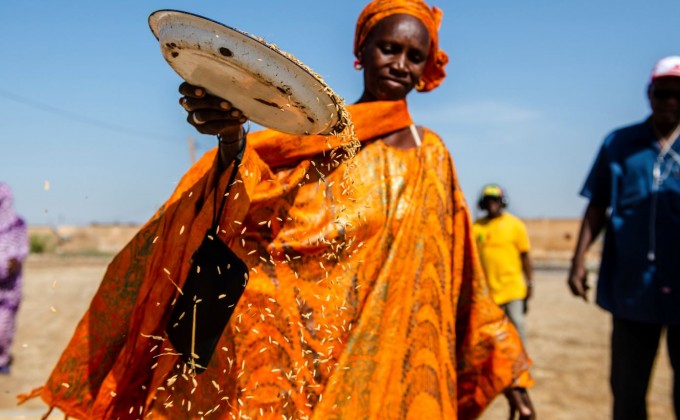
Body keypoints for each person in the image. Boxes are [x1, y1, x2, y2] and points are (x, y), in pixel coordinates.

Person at [23, 1, 535, 418]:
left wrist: (507, 367)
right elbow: (257, 214)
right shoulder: (318, 139)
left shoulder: (433, 156)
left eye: (413, 55)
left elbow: (461, 274)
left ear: (427, 68)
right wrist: (230, 140)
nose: (400, 64)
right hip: (316, 360)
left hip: (403, 363)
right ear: (362, 51)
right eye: (388, 48)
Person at [568, 55, 680, 420]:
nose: (671, 102)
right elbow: (598, 204)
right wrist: (578, 260)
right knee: (628, 390)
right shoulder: (619, 143)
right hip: (631, 288)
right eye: (664, 94)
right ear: (650, 93)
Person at [473, 184, 533, 344]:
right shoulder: (476, 228)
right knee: (492, 330)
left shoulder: (515, 225)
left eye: (495, 200)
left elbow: (525, 256)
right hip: (488, 290)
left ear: (502, 202)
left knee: (517, 323)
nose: (492, 204)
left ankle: (522, 364)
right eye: (488, 200)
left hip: (512, 288)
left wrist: (530, 283)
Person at [0, 182, 28, 375]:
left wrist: (7, 267)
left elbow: (20, 253)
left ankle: (2, 359)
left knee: (3, 328)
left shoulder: (17, 225)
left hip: (8, 289)